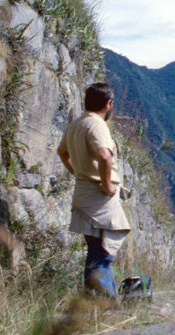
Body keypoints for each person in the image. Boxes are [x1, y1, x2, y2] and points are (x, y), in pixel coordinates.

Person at [57, 82, 131, 299]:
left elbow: (62, 153)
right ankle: (107, 306)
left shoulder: (75, 125)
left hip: (83, 194)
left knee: (94, 252)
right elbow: (105, 155)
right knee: (103, 254)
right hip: (99, 199)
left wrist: (78, 173)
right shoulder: (97, 125)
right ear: (108, 104)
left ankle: (93, 302)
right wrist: (106, 183)